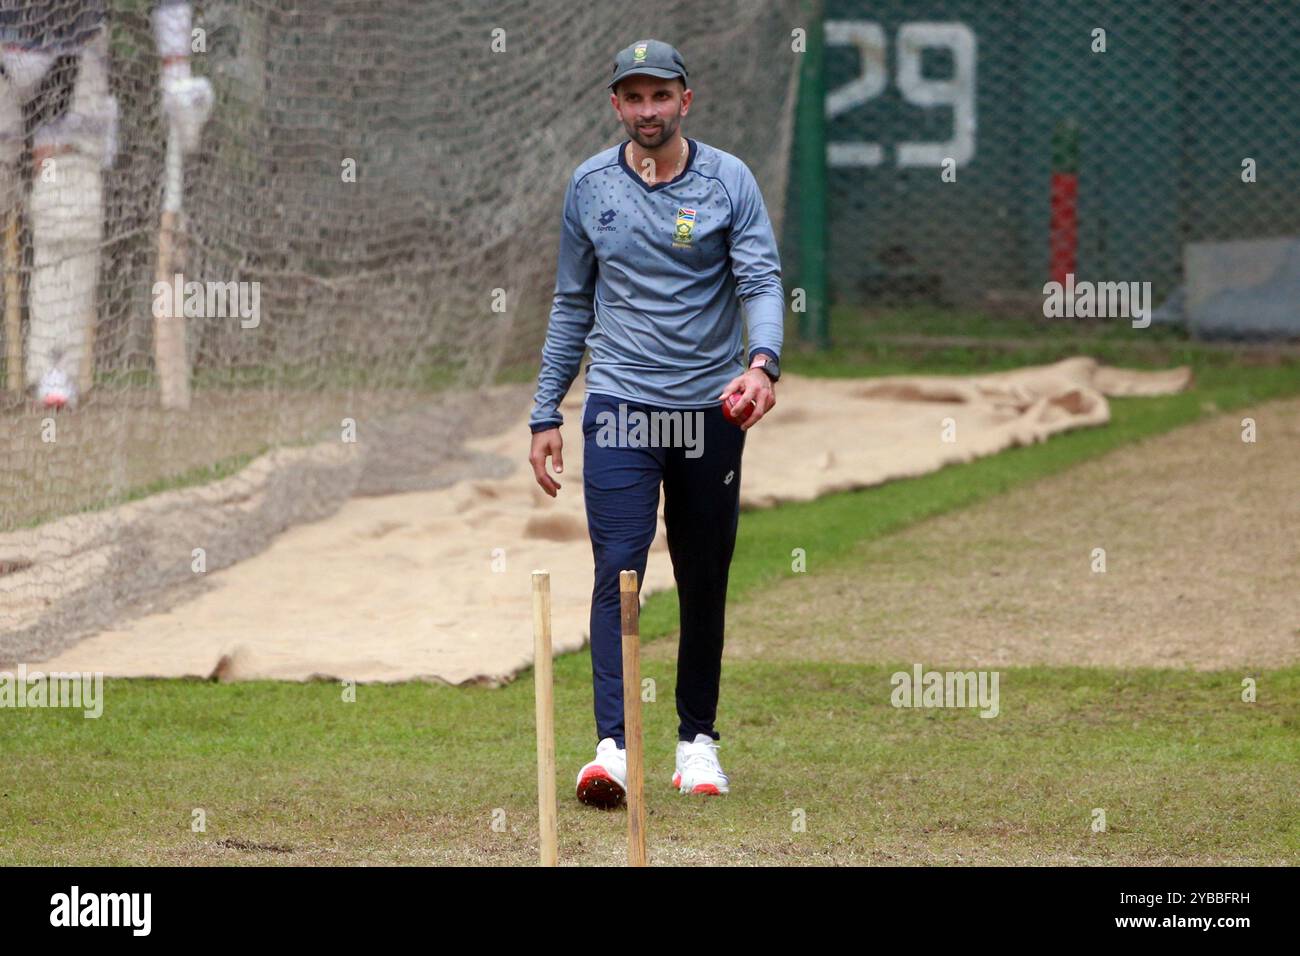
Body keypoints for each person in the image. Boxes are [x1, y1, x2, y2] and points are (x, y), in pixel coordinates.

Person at [527, 39, 784, 807]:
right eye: (633, 98)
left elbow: (762, 280)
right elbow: (573, 303)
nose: (647, 111)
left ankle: (696, 744)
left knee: (704, 575)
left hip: (710, 408)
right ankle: (612, 749)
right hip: (621, 407)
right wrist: (546, 410)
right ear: (616, 104)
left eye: (660, 96)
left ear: (685, 100)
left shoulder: (728, 179)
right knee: (620, 571)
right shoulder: (589, 186)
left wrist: (761, 365)